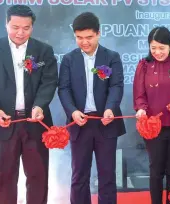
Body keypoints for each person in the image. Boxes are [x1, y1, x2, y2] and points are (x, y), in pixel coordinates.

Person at [0, 5, 58, 204]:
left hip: (35, 123)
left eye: (26, 27)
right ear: (6, 24)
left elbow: (49, 81)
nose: (20, 32)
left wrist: (39, 105)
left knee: (38, 178)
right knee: (4, 179)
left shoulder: (43, 51)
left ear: (33, 27)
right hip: (4, 124)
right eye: (15, 27)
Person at [57, 12, 126, 204]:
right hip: (80, 123)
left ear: (98, 34)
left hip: (105, 122)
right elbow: (63, 89)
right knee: (79, 176)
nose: (84, 42)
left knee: (107, 175)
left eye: (89, 37)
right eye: (79, 38)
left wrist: (111, 108)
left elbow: (116, 85)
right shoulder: (69, 60)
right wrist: (72, 111)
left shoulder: (111, 57)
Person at [133, 26, 170, 204]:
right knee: (156, 170)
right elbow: (139, 94)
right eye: (153, 48)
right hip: (153, 126)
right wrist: (141, 108)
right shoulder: (144, 65)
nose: (157, 52)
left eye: (162, 48)